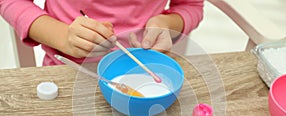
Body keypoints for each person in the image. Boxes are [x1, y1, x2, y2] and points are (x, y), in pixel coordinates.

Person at [0, 1, 204, 66]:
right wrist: (63, 37)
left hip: (146, 72)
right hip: (67, 72)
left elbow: (191, 5)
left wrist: (167, 23)